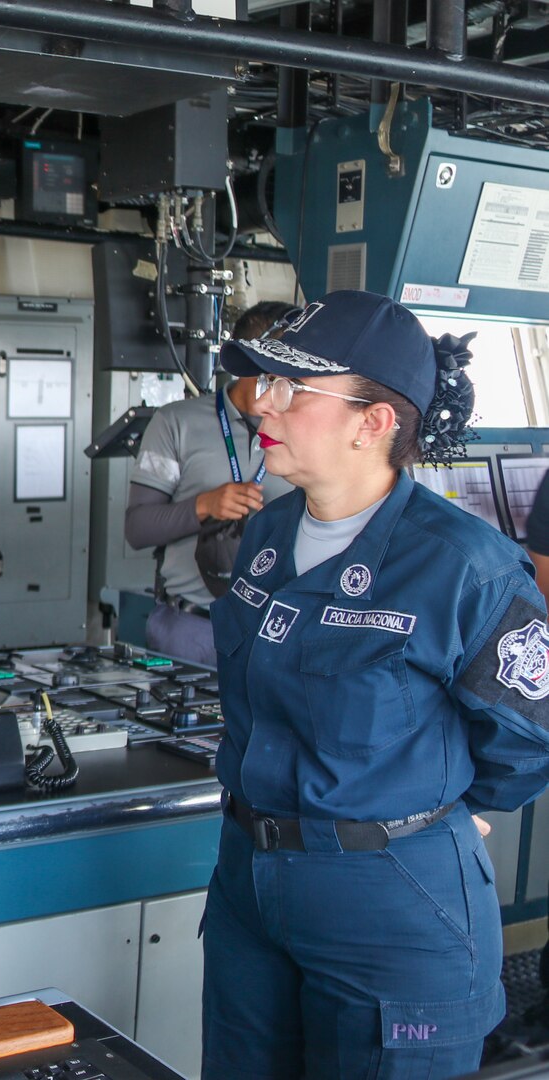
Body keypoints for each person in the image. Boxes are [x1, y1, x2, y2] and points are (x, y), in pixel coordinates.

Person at [202, 290, 549, 1079]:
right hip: (247, 880)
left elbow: (530, 737)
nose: (265, 404)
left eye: (294, 389)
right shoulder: (265, 535)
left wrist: (437, 804)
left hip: (389, 893)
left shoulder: (466, 566)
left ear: (373, 423)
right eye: (263, 384)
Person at [125, 301, 296, 665]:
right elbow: (137, 529)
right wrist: (204, 506)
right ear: (250, 361)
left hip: (278, 631)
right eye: (286, 364)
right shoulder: (176, 423)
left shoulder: (305, 427)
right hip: (193, 629)